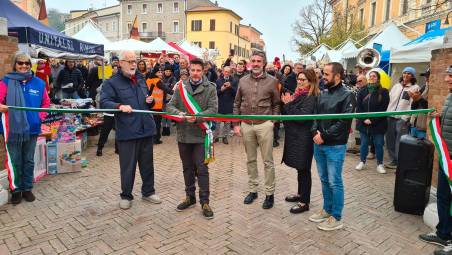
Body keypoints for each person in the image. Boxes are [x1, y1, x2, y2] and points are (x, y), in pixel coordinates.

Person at [100, 50, 160, 210]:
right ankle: (126, 195)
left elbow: (146, 101)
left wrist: (150, 101)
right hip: (127, 131)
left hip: (146, 128)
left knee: (147, 165)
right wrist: (119, 106)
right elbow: (104, 102)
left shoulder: (141, 79)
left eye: (135, 61)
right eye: (130, 61)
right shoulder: (112, 82)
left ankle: (148, 191)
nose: (134, 64)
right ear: (121, 63)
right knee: (128, 167)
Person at [167, 58, 218, 219]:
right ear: (189, 70)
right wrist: (179, 114)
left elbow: (213, 109)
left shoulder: (210, 88)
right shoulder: (180, 87)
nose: (195, 73)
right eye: (193, 70)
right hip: (184, 134)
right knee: (187, 168)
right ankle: (190, 197)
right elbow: (170, 106)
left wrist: (197, 117)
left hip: (200, 135)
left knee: (202, 169)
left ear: (203, 71)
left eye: (198, 70)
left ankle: (205, 201)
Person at [309, 62, 355, 231]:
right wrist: (314, 132)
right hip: (319, 144)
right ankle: (327, 210)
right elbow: (314, 115)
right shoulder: (323, 93)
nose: (323, 77)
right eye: (323, 73)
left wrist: (324, 135)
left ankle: (336, 216)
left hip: (335, 145)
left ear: (337, 76)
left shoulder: (348, 95)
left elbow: (344, 121)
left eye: (327, 74)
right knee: (324, 179)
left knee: (335, 181)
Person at [0, 51, 50, 204]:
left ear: (30, 65)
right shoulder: (5, 82)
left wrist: (38, 118)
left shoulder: (39, 83)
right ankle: (16, 190)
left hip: (32, 129)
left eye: (27, 63)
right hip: (12, 130)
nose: (24, 65)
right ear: (15, 64)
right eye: (20, 63)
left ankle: (27, 188)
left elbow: (46, 104)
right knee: (14, 160)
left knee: (28, 160)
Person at [233, 50, 281, 209]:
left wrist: (272, 122)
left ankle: (269, 193)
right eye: (253, 60)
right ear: (249, 62)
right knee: (250, 160)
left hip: (264, 124)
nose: (255, 63)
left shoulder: (273, 81)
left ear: (264, 63)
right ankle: (253, 190)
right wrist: (236, 124)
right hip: (246, 125)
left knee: (268, 161)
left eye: (258, 61)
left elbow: (276, 103)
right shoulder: (243, 81)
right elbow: (237, 103)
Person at [419, 66, 452, 255]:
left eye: (451, 76)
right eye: (448, 75)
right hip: (446, 157)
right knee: (443, 196)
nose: (447, 79)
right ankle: (443, 233)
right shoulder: (449, 96)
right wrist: (440, 116)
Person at [281, 69, 319, 214]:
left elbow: (302, 117)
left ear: (311, 81)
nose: (300, 82)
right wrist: (288, 104)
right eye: (299, 79)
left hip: (304, 137)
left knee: (304, 168)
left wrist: (288, 105)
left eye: (304, 80)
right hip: (297, 136)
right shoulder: (299, 94)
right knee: (300, 168)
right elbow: (289, 114)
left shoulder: (311, 96)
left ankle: (305, 201)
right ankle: (300, 194)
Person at [354, 71, 390, 174]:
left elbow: (383, 109)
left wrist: (372, 120)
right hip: (364, 123)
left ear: (378, 78)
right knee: (364, 144)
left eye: (374, 76)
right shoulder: (362, 91)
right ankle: (362, 161)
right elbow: (359, 107)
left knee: (379, 144)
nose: (372, 78)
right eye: (370, 76)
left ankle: (380, 164)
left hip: (378, 123)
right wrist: (364, 119)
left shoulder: (383, 92)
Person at [385, 67, 420, 169]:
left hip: (402, 118)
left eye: (409, 73)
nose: (406, 75)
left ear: (412, 76)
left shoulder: (415, 88)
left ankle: (399, 161)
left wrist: (405, 118)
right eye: (405, 73)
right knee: (390, 139)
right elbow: (390, 100)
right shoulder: (396, 86)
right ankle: (393, 160)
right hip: (390, 116)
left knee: (400, 141)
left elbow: (412, 104)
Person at [146, 68, 173, 144]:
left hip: (150, 105)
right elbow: (166, 89)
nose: (161, 73)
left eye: (161, 72)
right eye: (159, 72)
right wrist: (174, 92)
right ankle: (156, 139)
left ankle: (151, 138)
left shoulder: (148, 79)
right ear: (155, 73)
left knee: (151, 123)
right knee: (157, 124)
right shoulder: (156, 81)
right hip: (156, 106)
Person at [215, 66, 237, 144]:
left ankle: (225, 137)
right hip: (220, 104)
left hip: (229, 104)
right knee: (217, 123)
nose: (227, 73)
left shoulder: (234, 81)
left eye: (228, 72)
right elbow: (215, 93)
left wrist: (230, 87)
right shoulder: (218, 81)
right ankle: (216, 137)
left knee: (227, 124)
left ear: (231, 72)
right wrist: (221, 90)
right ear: (223, 72)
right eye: (225, 71)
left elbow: (236, 93)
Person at [410, 68, 429, 139]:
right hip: (414, 124)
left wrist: (419, 98)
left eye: (428, 76)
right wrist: (414, 99)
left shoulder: (433, 90)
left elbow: (428, 107)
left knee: (421, 148)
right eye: (426, 76)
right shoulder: (424, 87)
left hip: (423, 127)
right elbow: (413, 108)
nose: (426, 78)